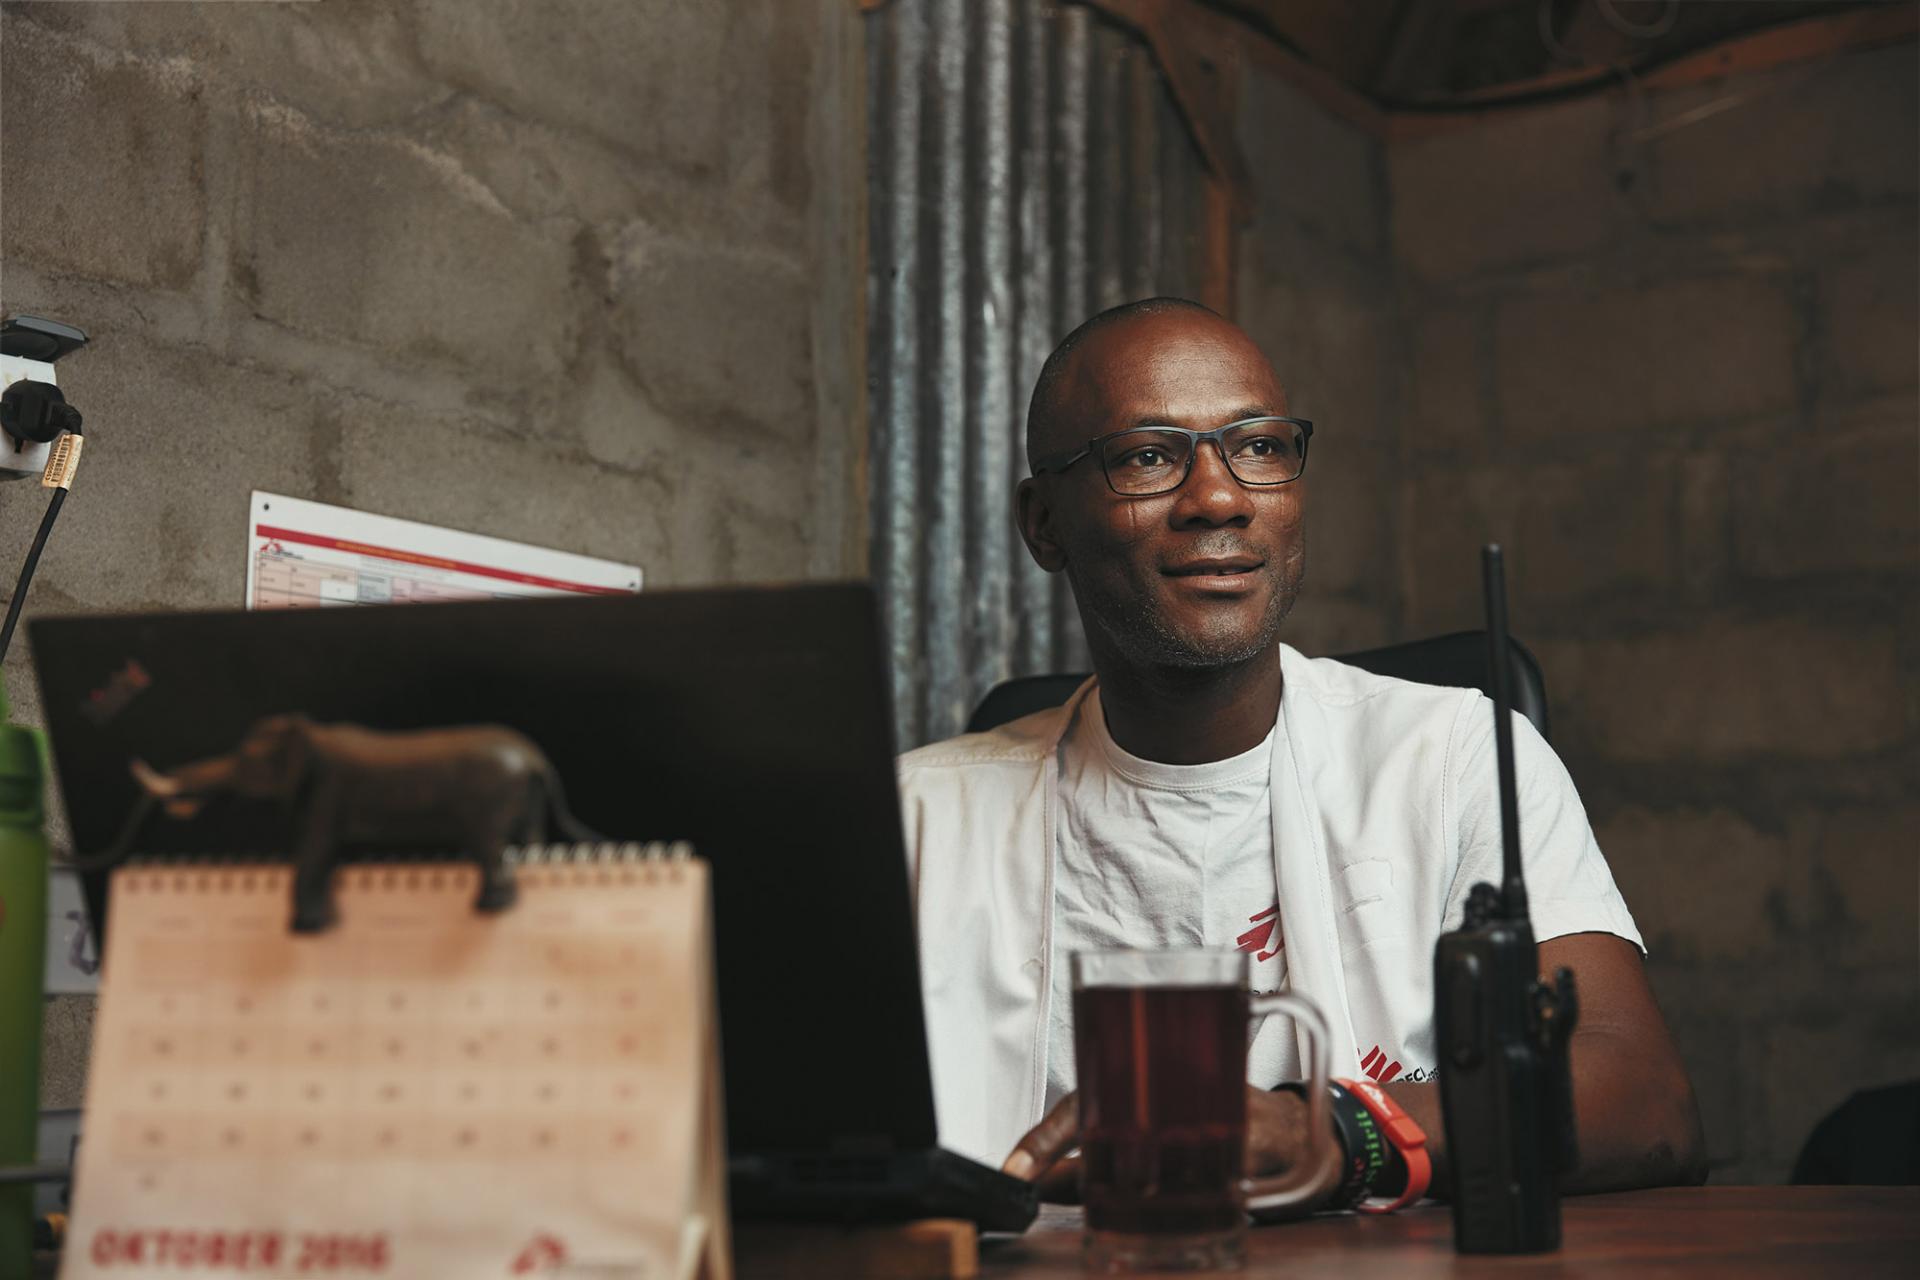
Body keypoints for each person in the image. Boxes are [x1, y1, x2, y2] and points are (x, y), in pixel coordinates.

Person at [895, 297, 1705, 1205]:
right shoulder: (915, 821)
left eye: (1260, 446)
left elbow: (1647, 1102)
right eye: (1149, 456)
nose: (1219, 497)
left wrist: (1340, 1129)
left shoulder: (1457, 759)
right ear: (1044, 524)